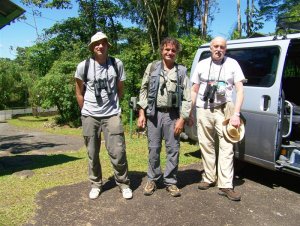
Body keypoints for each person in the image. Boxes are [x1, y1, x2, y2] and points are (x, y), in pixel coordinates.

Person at [75, 32, 132, 200]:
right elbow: (79, 92)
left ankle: (123, 183)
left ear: (108, 45)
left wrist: (115, 105)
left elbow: (120, 88)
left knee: (118, 151)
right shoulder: (83, 66)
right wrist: (85, 110)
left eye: (103, 43)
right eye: (96, 44)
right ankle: (96, 184)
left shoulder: (117, 64)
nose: (100, 46)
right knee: (92, 153)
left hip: (112, 114)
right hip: (89, 115)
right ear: (92, 47)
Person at [190, 36, 246, 201]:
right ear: (210, 48)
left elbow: (240, 91)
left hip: (224, 110)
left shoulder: (232, 64)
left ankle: (226, 185)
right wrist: (190, 112)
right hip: (203, 109)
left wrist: (236, 114)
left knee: (227, 147)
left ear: (225, 49)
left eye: (222, 47)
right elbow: (194, 90)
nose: (219, 49)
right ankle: (209, 178)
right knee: (205, 145)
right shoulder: (201, 64)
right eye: (216, 46)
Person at [137, 37, 192, 197]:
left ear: (176, 53)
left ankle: (170, 181)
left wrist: (182, 119)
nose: (170, 52)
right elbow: (144, 90)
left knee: (173, 149)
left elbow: (188, 97)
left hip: (173, 116)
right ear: (162, 50)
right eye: (167, 49)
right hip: (154, 114)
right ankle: (152, 179)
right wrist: (142, 112)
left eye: (173, 50)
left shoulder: (181, 71)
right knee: (153, 149)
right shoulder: (152, 67)